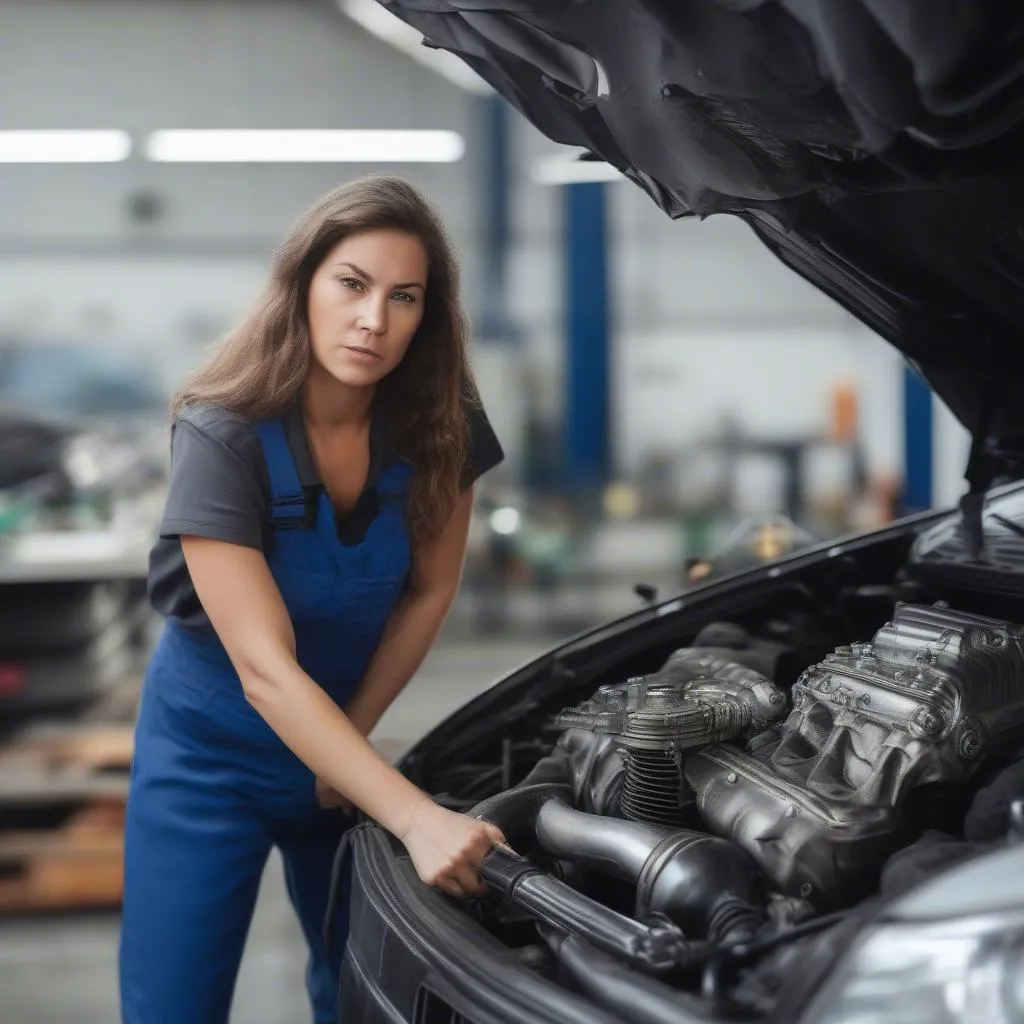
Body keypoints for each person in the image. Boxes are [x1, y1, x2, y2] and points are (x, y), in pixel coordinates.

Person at [119, 175, 510, 1024]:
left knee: (363, 991)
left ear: (427, 317)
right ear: (301, 284)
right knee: (172, 1003)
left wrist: (354, 745)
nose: (375, 318)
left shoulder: (444, 426)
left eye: (405, 297)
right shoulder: (221, 431)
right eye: (352, 283)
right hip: (205, 760)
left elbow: (427, 593)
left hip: (337, 743)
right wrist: (413, 816)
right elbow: (262, 670)